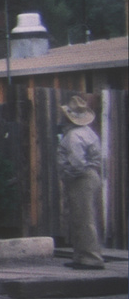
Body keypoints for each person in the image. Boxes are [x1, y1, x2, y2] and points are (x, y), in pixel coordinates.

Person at [57, 93, 105, 271]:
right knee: (86, 217)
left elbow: (77, 163)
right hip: (91, 175)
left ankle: (90, 258)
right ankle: (82, 256)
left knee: (83, 218)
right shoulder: (88, 132)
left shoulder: (73, 136)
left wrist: (68, 175)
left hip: (81, 178)